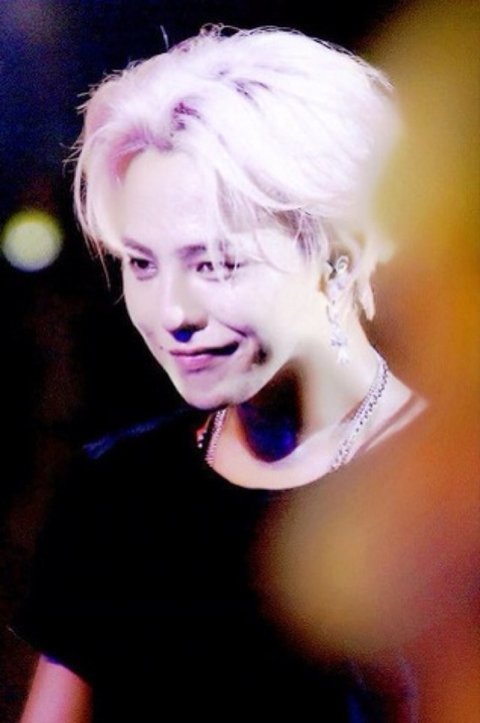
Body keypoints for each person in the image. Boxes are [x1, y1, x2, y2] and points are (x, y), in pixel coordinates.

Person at [13, 25, 425, 723]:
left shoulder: (451, 493)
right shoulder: (115, 493)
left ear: (341, 254)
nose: (172, 312)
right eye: (142, 263)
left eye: (216, 263)